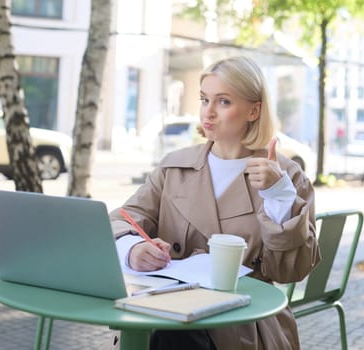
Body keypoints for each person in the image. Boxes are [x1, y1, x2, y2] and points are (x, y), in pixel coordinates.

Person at [109, 56, 321, 350]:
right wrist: (134, 249)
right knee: (169, 333)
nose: (208, 113)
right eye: (204, 99)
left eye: (223, 102)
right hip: (166, 308)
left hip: (245, 321)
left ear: (254, 110)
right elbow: (120, 220)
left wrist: (279, 195)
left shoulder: (286, 176)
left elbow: (290, 272)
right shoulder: (174, 167)